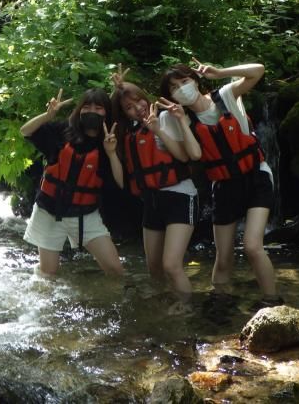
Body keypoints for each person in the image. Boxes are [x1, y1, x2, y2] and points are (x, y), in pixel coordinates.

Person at [160, 58, 282, 311]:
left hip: (256, 175)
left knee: (252, 246)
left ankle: (272, 302)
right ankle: (221, 304)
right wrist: (182, 121)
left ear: (195, 80)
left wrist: (220, 72)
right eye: (174, 88)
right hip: (224, 185)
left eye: (184, 81)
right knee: (223, 256)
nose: (181, 88)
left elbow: (258, 70)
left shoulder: (225, 95)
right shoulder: (185, 120)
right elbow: (193, 155)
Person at [110, 66, 202, 304]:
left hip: (180, 195)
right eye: (129, 108)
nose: (137, 109)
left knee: (171, 265)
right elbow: (123, 180)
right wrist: (117, 89)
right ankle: (165, 310)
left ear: (145, 98)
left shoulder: (165, 116)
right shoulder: (127, 133)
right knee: (154, 269)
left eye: (138, 101)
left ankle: (187, 312)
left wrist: (158, 131)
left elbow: (183, 157)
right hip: (152, 201)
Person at [20, 88, 125, 278]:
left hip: (85, 215)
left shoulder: (108, 142)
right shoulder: (62, 132)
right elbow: (25, 131)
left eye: (98, 107)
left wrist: (111, 153)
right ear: (79, 110)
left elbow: (120, 182)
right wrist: (47, 115)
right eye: (87, 106)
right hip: (49, 212)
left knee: (115, 269)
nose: (92, 111)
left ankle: (113, 302)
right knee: (48, 273)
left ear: (106, 112)